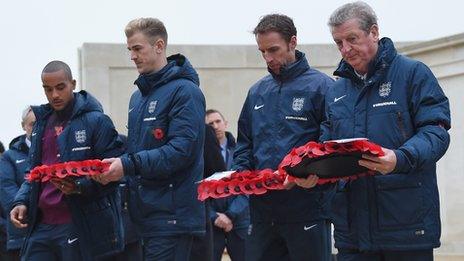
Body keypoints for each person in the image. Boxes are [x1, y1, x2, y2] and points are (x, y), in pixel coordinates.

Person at [296, 2, 451, 261]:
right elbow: (327, 146)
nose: (345, 49)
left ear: (374, 32)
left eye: (351, 39)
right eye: (338, 43)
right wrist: (314, 173)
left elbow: (436, 133)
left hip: (406, 228)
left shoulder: (413, 74)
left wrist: (399, 158)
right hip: (351, 235)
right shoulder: (336, 91)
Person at [93, 18, 206, 260]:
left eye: (137, 48)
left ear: (159, 46)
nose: (132, 56)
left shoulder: (185, 92)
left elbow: (181, 151)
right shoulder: (137, 99)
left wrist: (127, 164)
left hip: (172, 217)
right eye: (129, 50)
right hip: (142, 218)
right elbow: (138, 153)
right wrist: (115, 165)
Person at [233, 14, 334, 261]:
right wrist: (240, 175)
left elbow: (330, 146)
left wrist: (314, 175)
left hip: (307, 209)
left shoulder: (323, 87)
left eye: (274, 50)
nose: (268, 58)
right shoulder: (257, 92)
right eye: (262, 52)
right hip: (261, 213)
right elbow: (244, 144)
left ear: (293, 42)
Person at [9, 60, 125, 261]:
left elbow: (115, 174)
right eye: (48, 89)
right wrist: (21, 201)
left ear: (73, 83)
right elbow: (34, 173)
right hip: (42, 226)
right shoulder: (40, 125)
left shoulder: (97, 121)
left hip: (81, 224)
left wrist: (80, 186)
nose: (54, 94)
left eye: (60, 87)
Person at [206, 109, 249, 261]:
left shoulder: (240, 152)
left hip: (239, 223)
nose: (215, 126)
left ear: (225, 123)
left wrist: (230, 215)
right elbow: (198, 190)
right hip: (213, 223)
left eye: (218, 121)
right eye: (210, 124)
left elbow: (248, 187)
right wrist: (213, 216)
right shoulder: (201, 155)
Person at [0, 106, 36, 261]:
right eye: (32, 124)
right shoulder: (9, 157)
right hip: (21, 236)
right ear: (23, 126)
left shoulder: (55, 151)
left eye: (40, 124)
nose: (36, 129)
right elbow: (8, 192)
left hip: (54, 233)